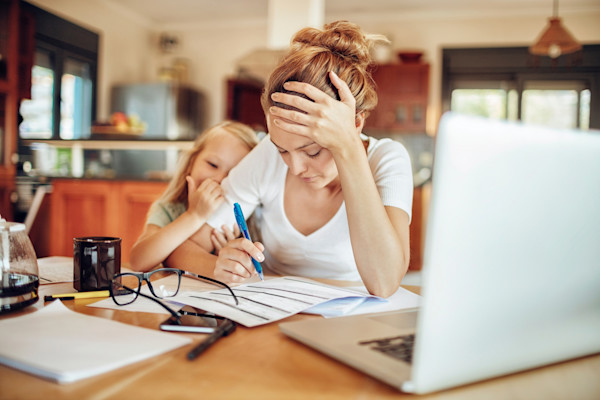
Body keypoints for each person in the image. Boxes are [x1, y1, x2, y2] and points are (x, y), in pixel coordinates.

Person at [205, 21, 414, 298]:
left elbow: (385, 283)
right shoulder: (267, 154)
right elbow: (186, 245)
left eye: (313, 151)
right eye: (283, 150)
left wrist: (348, 149)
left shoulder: (386, 158)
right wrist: (220, 266)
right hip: (274, 313)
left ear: (356, 124)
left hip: (349, 323)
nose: (295, 167)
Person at [129, 121, 259, 273]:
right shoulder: (170, 208)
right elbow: (138, 261)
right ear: (192, 162)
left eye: (233, 174)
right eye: (212, 164)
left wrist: (228, 256)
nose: (220, 179)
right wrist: (195, 215)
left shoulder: (249, 217)